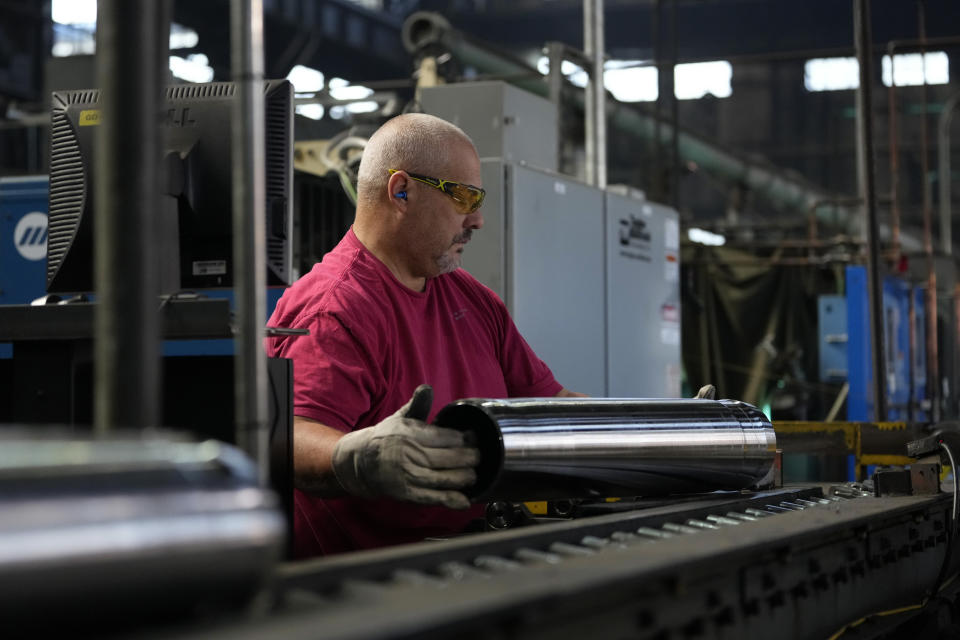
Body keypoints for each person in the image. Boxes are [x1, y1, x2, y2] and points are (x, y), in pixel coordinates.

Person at [265, 113, 584, 558]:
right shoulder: (335, 308)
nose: (477, 220)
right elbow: (287, 437)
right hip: (365, 587)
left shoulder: (472, 299)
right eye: (464, 197)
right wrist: (359, 457)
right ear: (401, 191)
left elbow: (548, 403)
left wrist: (668, 429)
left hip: (463, 564)